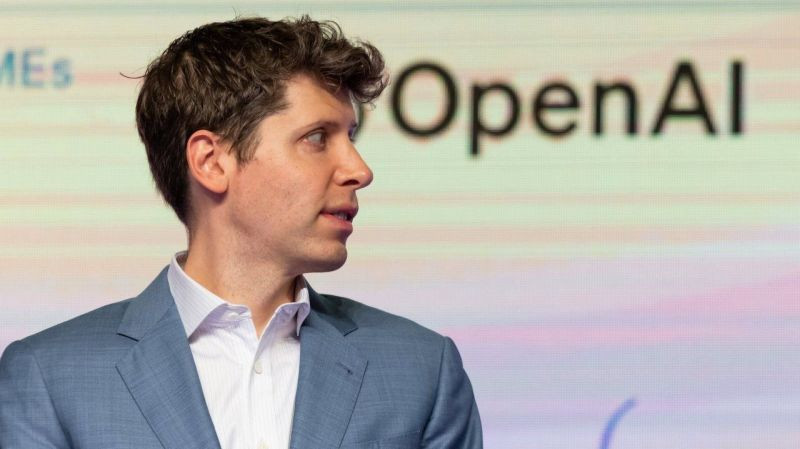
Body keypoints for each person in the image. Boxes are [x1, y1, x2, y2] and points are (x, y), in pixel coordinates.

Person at [0, 15, 482, 449]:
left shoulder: (422, 368)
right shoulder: (49, 378)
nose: (360, 170)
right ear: (211, 162)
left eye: (351, 137)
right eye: (317, 138)